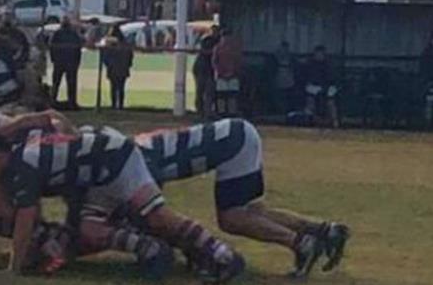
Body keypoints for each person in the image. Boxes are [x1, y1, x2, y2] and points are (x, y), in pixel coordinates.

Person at [0, 126, 245, 284]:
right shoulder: (24, 157)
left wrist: (15, 267)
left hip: (117, 161)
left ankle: (222, 255)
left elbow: (26, 217)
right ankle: (151, 249)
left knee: (158, 216)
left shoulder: (22, 165)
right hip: (99, 174)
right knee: (89, 229)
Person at [132, 118, 350, 276]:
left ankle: (301, 244)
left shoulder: (137, 160)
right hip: (237, 134)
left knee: (232, 218)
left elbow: (152, 212)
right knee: (253, 212)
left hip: (232, 143)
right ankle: (323, 230)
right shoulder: (138, 147)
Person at [48, 18, 84, 110]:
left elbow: (51, 47)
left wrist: (53, 59)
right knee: (70, 84)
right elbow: (78, 48)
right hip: (70, 63)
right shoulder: (73, 34)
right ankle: (72, 103)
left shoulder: (57, 33)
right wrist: (77, 62)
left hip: (59, 62)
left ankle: (53, 101)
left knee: (56, 83)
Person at [303, 45, 340, 128]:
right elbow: (307, 77)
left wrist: (326, 87)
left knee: (331, 102)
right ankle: (308, 120)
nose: (319, 56)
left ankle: (335, 120)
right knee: (310, 100)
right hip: (314, 86)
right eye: (317, 54)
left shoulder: (329, 64)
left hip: (328, 86)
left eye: (321, 54)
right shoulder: (310, 64)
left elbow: (333, 78)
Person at [212, 26, 243, 117]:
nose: (226, 38)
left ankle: (231, 113)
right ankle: (222, 113)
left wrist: (233, 72)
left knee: (232, 96)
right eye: (224, 36)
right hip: (221, 76)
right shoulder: (217, 48)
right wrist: (220, 72)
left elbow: (238, 61)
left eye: (228, 35)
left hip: (233, 75)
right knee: (221, 96)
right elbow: (214, 62)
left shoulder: (235, 48)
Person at [101, 24, 134, 110]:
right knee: (121, 87)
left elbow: (105, 57)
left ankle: (114, 105)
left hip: (113, 68)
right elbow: (130, 56)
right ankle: (121, 105)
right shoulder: (125, 43)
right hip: (123, 68)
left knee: (113, 87)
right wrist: (128, 65)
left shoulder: (109, 44)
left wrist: (108, 64)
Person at [193, 26, 220, 118]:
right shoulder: (208, 40)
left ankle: (205, 112)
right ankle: (201, 112)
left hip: (207, 69)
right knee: (201, 91)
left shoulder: (214, 40)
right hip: (202, 68)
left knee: (208, 91)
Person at [273, 41, 297, 114]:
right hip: (279, 80)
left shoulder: (291, 58)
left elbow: (294, 68)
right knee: (279, 98)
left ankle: (288, 112)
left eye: (285, 48)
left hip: (289, 81)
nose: (284, 50)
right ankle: (279, 112)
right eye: (282, 48)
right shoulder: (275, 57)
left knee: (289, 98)